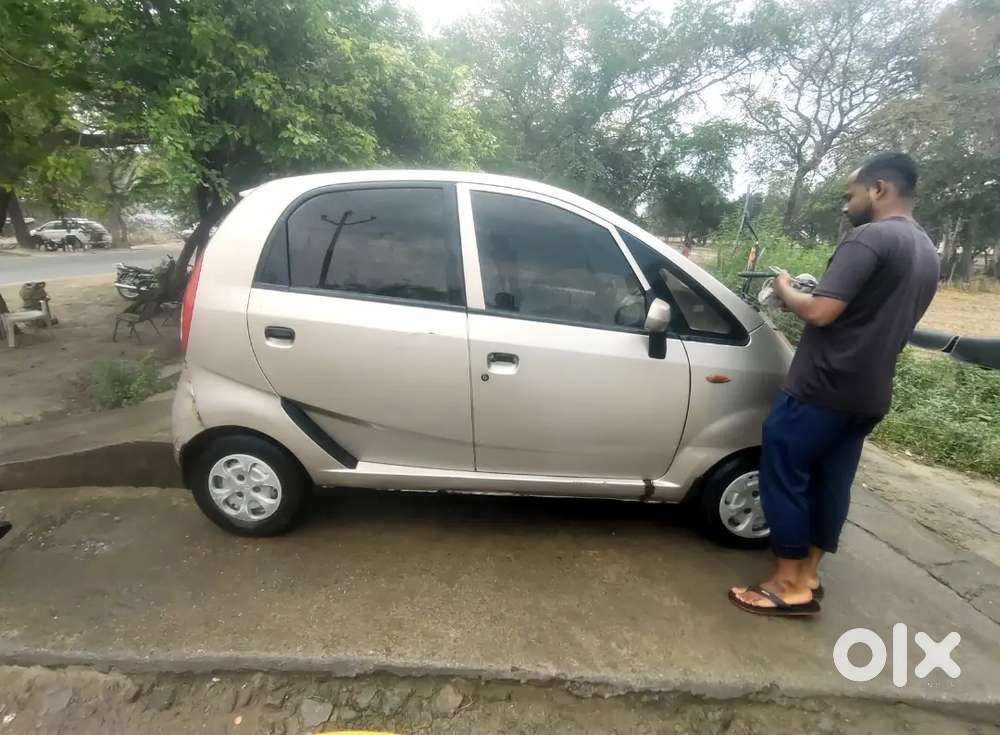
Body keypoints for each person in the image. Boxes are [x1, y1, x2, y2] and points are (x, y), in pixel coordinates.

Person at [730, 152, 940, 616]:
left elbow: (822, 311)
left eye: (851, 195)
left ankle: (786, 585)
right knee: (832, 482)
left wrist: (784, 287)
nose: (847, 206)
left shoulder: (869, 238)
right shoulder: (927, 251)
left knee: (784, 475)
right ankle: (809, 574)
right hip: (868, 392)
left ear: (879, 189)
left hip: (821, 387)